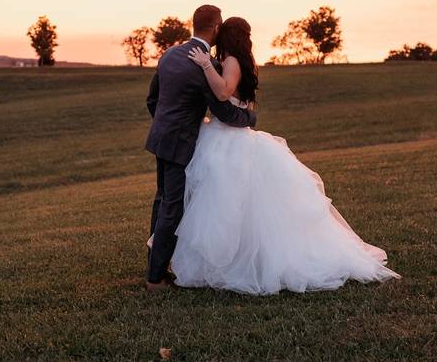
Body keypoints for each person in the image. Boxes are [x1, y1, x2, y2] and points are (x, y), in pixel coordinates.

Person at [169, 16, 400, 294]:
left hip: (228, 141)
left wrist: (206, 65)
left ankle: (234, 264)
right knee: (237, 207)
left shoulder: (230, 62)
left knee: (228, 206)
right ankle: (236, 260)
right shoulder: (241, 60)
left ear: (226, 36)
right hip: (228, 137)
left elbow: (223, 92)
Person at [144, 5, 257, 291]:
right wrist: (250, 117)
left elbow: (152, 99)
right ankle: (155, 279)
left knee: (161, 201)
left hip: (160, 138)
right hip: (181, 144)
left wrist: (165, 125)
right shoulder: (205, 63)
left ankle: (155, 264)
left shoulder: (170, 54)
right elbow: (224, 111)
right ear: (216, 26)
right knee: (172, 207)